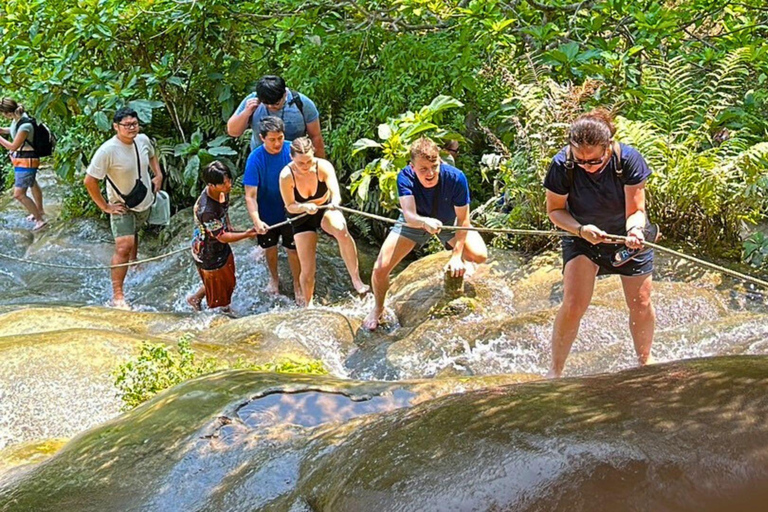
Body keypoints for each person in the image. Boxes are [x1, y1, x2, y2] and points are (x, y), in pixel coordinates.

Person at [543, 108, 656, 378]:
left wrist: (635, 231)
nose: (586, 166)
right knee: (573, 303)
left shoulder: (628, 159)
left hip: (627, 235)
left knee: (640, 301)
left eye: (593, 161)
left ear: (607, 148)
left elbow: (636, 210)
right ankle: (555, 371)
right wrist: (581, 230)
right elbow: (555, 211)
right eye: (580, 160)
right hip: (582, 234)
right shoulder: (562, 164)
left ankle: (645, 362)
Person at [363, 137, 488, 330]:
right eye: (423, 169)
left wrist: (456, 256)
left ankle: (461, 259)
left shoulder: (456, 177)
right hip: (415, 222)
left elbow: (463, 220)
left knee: (480, 255)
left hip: (448, 221)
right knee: (380, 269)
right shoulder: (405, 177)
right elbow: (409, 214)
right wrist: (424, 222)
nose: (430, 174)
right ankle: (378, 308)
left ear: (440, 161)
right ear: (412, 167)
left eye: (434, 166)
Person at [84, 107, 163, 309]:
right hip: (121, 205)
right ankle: (118, 294)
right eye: (126, 125)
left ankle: (134, 261)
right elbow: (90, 181)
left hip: (143, 199)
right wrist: (105, 207)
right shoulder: (107, 151)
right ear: (116, 127)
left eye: (134, 124)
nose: (131, 128)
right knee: (123, 246)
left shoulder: (143, 140)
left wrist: (158, 174)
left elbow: (152, 155)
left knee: (135, 232)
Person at [278, 137, 368, 306]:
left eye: (309, 161)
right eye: (301, 163)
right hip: (300, 216)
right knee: (308, 267)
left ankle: (356, 280)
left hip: (325, 209)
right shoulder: (286, 176)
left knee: (341, 230)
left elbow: (336, 193)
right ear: (292, 158)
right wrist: (304, 207)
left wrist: (335, 202)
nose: (305, 167)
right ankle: (308, 303)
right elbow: (289, 206)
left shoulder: (323, 166)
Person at [188, 161, 257, 314]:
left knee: (228, 281)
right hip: (208, 252)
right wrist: (246, 234)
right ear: (212, 185)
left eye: (229, 181)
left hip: (219, 248)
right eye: (224, 183)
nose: (229, 185)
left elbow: (224, 211)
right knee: (219, 293)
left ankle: (196, 298)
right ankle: (222, 316)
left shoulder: (222, 191)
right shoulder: (207, 210)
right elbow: (222, 237)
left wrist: (229, 224)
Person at [243, 116, 301, 297]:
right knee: (270, 247)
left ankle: (297, 283)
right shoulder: (255, 158)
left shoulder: (292, 150)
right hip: (267, 209)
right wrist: (256, 220)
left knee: (293, 249)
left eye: (280, 138)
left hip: (291, 208)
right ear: (262, 138)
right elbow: (250, 195)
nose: (277, 143)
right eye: (272, 139)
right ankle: (274, 278)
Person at [227, 75, 325, 157]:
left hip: (296, 161)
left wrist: (319, 170)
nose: (271, 107)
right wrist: (246, 112)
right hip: (262, 161)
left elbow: (315, 137)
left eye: (276, 104)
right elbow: (233, 132)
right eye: (266, 104)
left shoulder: (302, 103)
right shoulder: (252, 101)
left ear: (285, 94)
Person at [0, 98, 46, 230]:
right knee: (32, 183)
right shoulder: (19, 118)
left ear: (8, 113)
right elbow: (14, 130)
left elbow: (13, 146)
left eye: (3, 114)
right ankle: (39, 211)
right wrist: (2, 130)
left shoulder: (25, 125)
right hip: (25, 160)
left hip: (27, 162)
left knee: (19, 194)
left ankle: (39, 220)